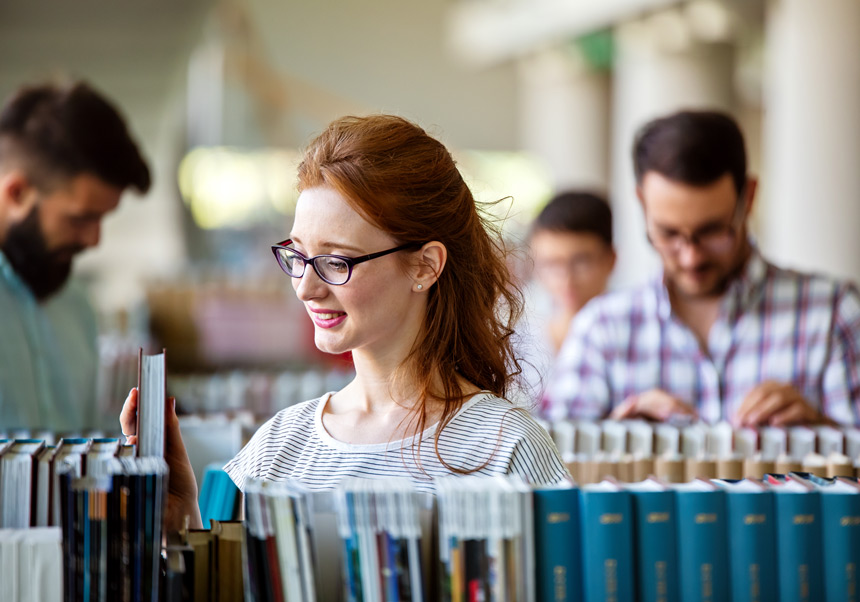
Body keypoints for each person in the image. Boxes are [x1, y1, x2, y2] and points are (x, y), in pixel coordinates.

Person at [121, 114, 569, 530]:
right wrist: (181, 523)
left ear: (425, 267)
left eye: (336, 261)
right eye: (298, 256)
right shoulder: (278, 446)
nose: (305, 288)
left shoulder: (505, 446)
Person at [544, 110, 860, 427]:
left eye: (711, 231)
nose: (691, 257)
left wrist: (822, 432)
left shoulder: (834, 314)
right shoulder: (601, 329)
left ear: (748, 198)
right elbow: (553, 467)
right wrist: (614, 439)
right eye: (669, 234)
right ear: (642, 203)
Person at [0, 81, 151, 432]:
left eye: (102, 218)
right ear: (18, 193)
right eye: (81, 217)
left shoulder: (76, 304)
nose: (94, 239)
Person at [518, 191, 615, 405]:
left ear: (611, 259)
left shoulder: (636, 342)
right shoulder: (519, 344)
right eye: (552, 264)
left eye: (581, 262)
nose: (566, 278)